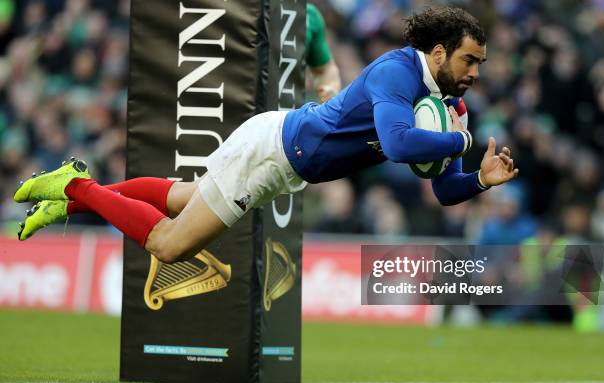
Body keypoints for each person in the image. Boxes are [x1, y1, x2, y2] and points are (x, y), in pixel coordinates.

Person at [15, 7, 518, 265]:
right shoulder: (398, 75)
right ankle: (76, 187)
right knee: (170, 247)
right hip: (274, 153)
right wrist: (460, 143)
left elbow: (446, 189)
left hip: (281, 145)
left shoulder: (449, 107)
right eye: (468, 59)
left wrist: (479, 178)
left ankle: (70, 199)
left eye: (480, 62)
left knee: (177, 197)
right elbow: (398, 144)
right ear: (436, 53)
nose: (475, 70)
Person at [306, 2, 341, 102]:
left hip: (290, 110)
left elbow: (325, 69)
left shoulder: (309, 15)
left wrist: (331, 88)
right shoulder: (258, 8)